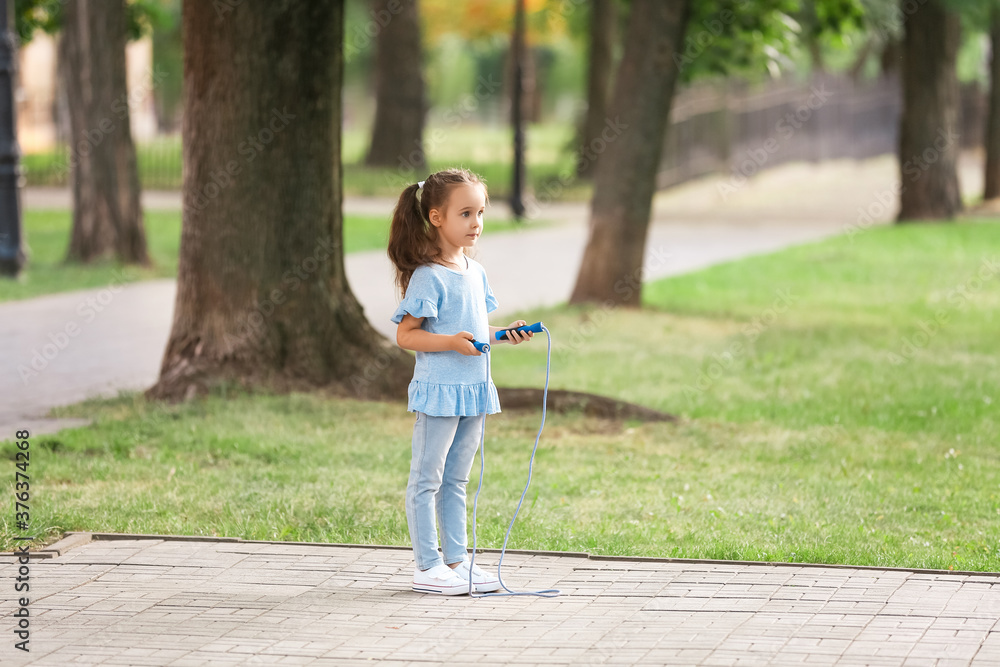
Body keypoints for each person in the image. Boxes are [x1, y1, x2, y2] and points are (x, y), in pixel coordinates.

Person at [388, 168, 534, 595]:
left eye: (481, 212)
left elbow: (475, 329)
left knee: (456, 480)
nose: (476, 223)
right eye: (465, 213)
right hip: (440, 393)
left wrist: (504, 334)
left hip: (473, 390)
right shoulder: (429, 276)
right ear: (436, 217)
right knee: (427, 478)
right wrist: (451, 343)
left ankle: (456, 560)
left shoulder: (475, 271)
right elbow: (406, 335)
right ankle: (427, 566)